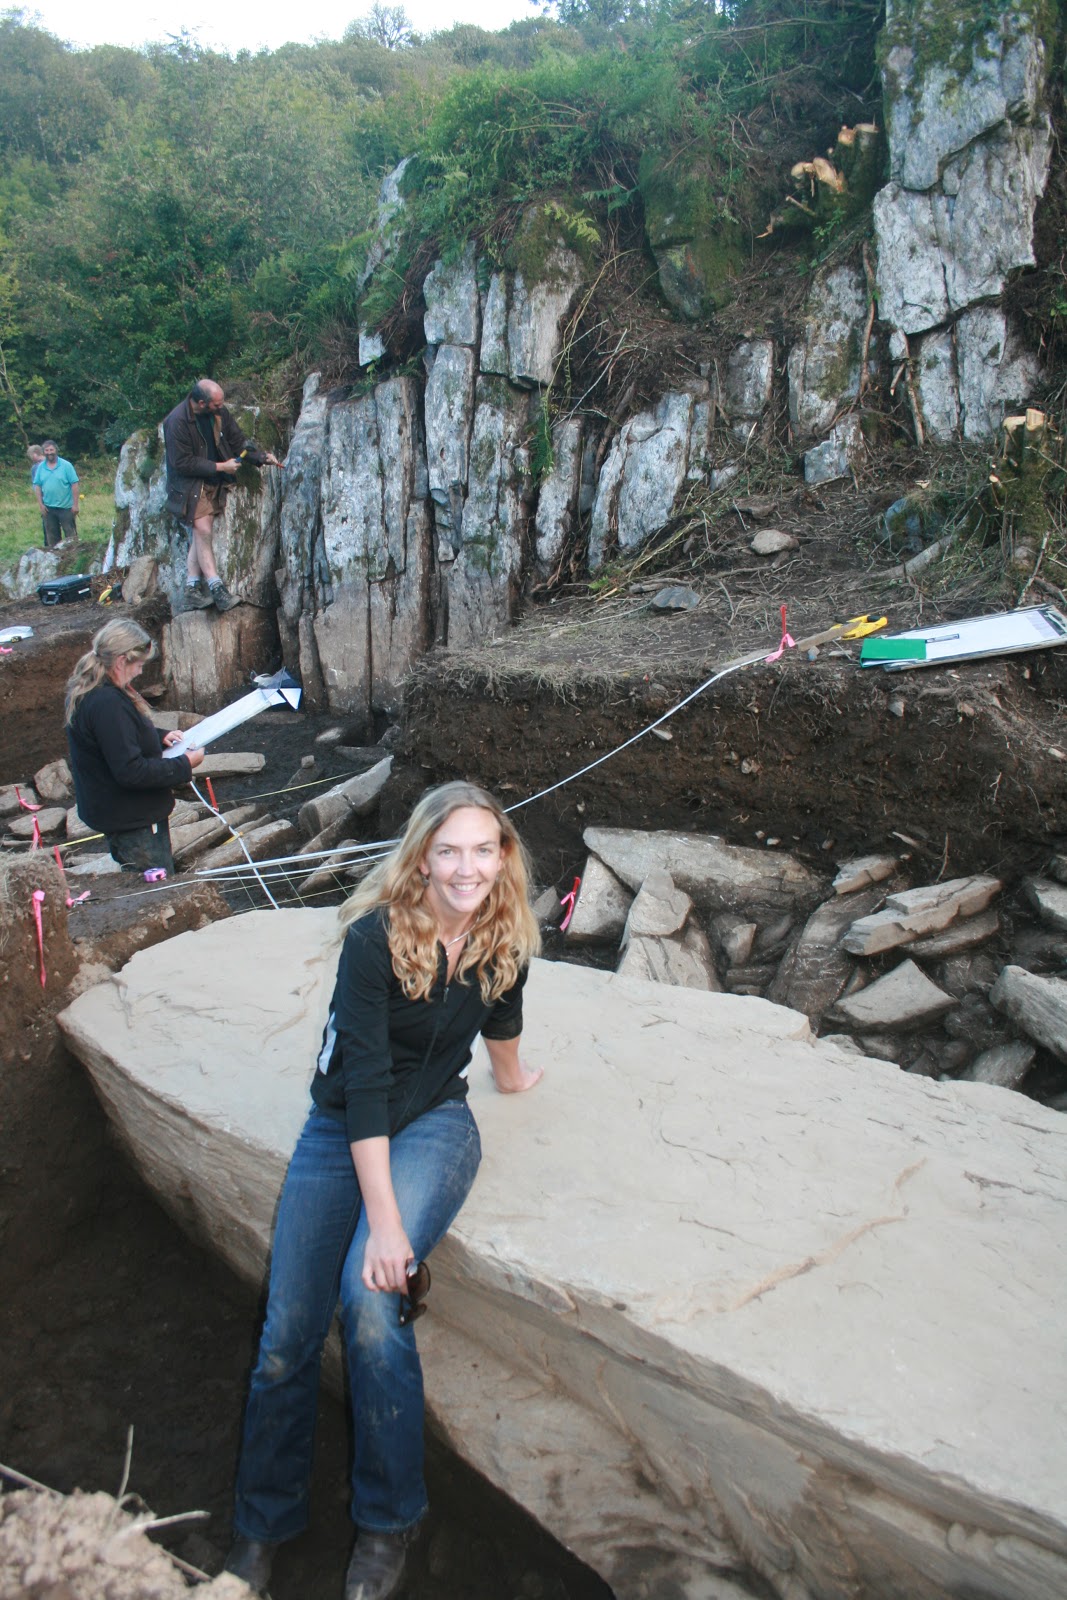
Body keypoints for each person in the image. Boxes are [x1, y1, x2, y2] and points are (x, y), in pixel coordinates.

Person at [225, 781, 544, 1600]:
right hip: (344, 1128)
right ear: (422, 858)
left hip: (438, 1123)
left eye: (482, 849)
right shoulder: (374, 940)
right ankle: (263, 1526)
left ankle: (388, 1518)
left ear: (501, 856)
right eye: (449, 851)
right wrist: (387, 1223)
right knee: (287, 1335)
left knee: (369, 1306)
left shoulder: (505, 934)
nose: (466, 867)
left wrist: (512, 1080)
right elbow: (361, 1088)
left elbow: (502, 1022)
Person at [64, 619, 204, 874]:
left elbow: (113, 738)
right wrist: (185, 764)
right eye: (138, 665)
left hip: (121, 813)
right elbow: (131, 771)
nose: (140, 672)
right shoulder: (108, 704)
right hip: (134, 821)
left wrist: (158, 736)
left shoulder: (91, 689)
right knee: (154, 889)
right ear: (120, 662)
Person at [162, 378, 281, 613]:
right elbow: (181, 463)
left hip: (212, 480)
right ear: (202, 402)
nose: (222, 407)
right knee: (203, 529)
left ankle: (192, 589)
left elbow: (237, 441)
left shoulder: (218, 413)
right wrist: (220, 467)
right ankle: (217, 589)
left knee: (200, 533)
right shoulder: (176, 422)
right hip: (189, 484)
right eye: (217, 404)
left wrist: (262, 457)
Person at [33, 439, 79, 549]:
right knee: (52, 538)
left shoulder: (66, 465)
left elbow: (74, 484)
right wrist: (41, 505)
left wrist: (75, 505)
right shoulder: (40, 467)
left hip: (66, 508)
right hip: (49, 508)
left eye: (51, 449)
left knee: (71, 536)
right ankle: (55, 559)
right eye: (47, 450)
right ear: (44, 452)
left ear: (56, 450)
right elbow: (37, 486)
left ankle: (73, 557)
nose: (49, 452)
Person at [27, 444, 47, 545]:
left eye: (30, 455)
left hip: (45, 498)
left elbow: (36, 486)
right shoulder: (52, 462)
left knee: (47, 522)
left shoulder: (36, 467)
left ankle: (48, 544)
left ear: (35, 454)